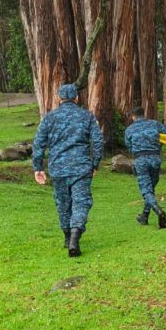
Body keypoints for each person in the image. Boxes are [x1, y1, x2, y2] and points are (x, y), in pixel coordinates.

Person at [32, 84, 104, 257]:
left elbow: (38, 143)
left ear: (59, 98)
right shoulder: (87, 116)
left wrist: (38, 167)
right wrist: (95, 164)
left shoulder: (49, 118)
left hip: (58, 168)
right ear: (77, 98)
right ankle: (75, 235)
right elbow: (98, 141)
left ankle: (67, 237)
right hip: (81, 167)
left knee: (63, 203)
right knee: (81, 202)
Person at [124, 106, 166, 229]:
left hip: (141, 160)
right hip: (155, 159)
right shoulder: (154, 124)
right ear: (143, 114)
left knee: (146, 191)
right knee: (150, 188)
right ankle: (144, 216)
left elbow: (129, 147)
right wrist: (158, 145)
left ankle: (159, 211)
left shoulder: (129, 130)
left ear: (133, 116)